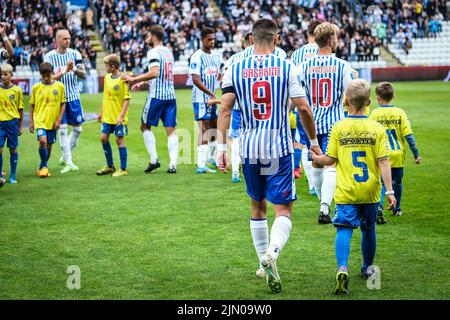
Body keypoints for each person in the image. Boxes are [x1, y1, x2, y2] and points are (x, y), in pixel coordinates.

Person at [217, 19, 320, 293]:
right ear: (276, 40)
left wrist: (221, 147)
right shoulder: (288, 67)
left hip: (249, 149)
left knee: (257, 207)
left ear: (251, 39)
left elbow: (225, 110)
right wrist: (312, 142)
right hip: (279, 149)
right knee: (283, 209)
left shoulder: (234, 68)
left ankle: (263, 265)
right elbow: (304, 109)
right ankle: (272, 253)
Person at [310, 79, 396, 295]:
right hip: (370, 190)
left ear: (345, 100)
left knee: (344, 229)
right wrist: (390, 191)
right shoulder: (376, 128)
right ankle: (367, 268)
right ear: (369, 102)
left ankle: (342, 267)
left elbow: (330, 160)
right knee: (369, 229)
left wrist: (315, 157)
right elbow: (384, 161)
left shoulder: (338, 127)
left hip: (347, 191)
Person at [299, 22, 354, 224]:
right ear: (331, 40)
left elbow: (296, 97)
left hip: (311, 123)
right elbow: (350, 95)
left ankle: (322, 202)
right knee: (332, 165)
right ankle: (325, 207)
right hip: (334, 124)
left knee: (316, 162)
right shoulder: (342, 65)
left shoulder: (303, 67)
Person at [121, 26, 178, 174]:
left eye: (147, 36)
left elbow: (154, 73)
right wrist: (143, 82)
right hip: (171, 96)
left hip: (156, 97)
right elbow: (163, 75)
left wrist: (133, 79)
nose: (146, 39)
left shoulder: (153, 52)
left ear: (153, 37)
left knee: (144, 126)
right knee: (171, 130)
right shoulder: (169, 52)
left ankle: (154, 160)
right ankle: (173, 165)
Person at [370, 82, 421, 223]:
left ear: (378, 98)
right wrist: (416, 154)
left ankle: (379, 207)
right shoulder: (400, 113)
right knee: (397, 182)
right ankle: (396, 208)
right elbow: (409, 136)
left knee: (381, 183)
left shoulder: (374, 114)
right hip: (398, 155)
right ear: (393, 96)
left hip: (381, 155)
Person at [44, 29, 87, 174]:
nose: (67, 41)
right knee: (62, 131)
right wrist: (64, 71)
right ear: (57, 40)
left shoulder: (75, 54)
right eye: (64, 39)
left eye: (69, 38)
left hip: (74, 97)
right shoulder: (49, 57)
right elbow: (48, 79)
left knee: (78, 129)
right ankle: (69, 162)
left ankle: (64, 156)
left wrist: (73, 68)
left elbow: (84, 75)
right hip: (58, 99)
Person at [291, 19, 321, 196]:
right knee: (325, 145)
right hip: (325, 107)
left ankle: (312, 185)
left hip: (303, 106)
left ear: (308, 34)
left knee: (304, 144)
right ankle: (326, 183)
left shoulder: (297, 54)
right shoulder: (326, 51)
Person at [189, 27, 224, 173]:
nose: (212, 42)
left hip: (212, 98)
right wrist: (211, 93)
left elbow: (222, 73)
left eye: (213, 39)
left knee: (214, 129)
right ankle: (201, 164)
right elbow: (195, 80)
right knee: (204, 128)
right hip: (201, 98)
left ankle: (211, 157)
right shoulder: (197, 57)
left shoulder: (217, 56)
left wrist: (221, 87)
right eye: (209, 39)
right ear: (202, 39)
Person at [29, 62, 66, 178]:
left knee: (49, 146)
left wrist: (59, 119)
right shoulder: (36, 87)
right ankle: (44, 166)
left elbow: (63, 103)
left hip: (53, 121)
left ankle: (42, 166)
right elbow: (32, 105)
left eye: (48, 75)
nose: (45, 78)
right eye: (43, 75)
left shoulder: (59, 86)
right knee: (43, 141)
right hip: (40, 120)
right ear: (40, 74)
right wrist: (31, 121)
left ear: (52, 73)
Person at [96, 54, 131, 177]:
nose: (105, 68)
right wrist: (101, 112)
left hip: (118, 117)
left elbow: (127, 99)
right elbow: (105, 96)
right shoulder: (106, 78)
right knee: (103, 138)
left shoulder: (123, 80)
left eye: (106, 66)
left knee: (119, 140)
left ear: (113, 67)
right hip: (107, 116)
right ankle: (110, 166)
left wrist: (121, 116)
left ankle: (123, 169)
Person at [0, 64, 23, 184]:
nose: (3, 76)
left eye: (6, 74)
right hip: (0, 124)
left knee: (13, 149)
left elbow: (20, 109)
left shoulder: (17, 90)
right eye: (2, 74)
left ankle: (13, 175)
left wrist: (20, 126)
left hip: (12, 123)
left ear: (11, 75)